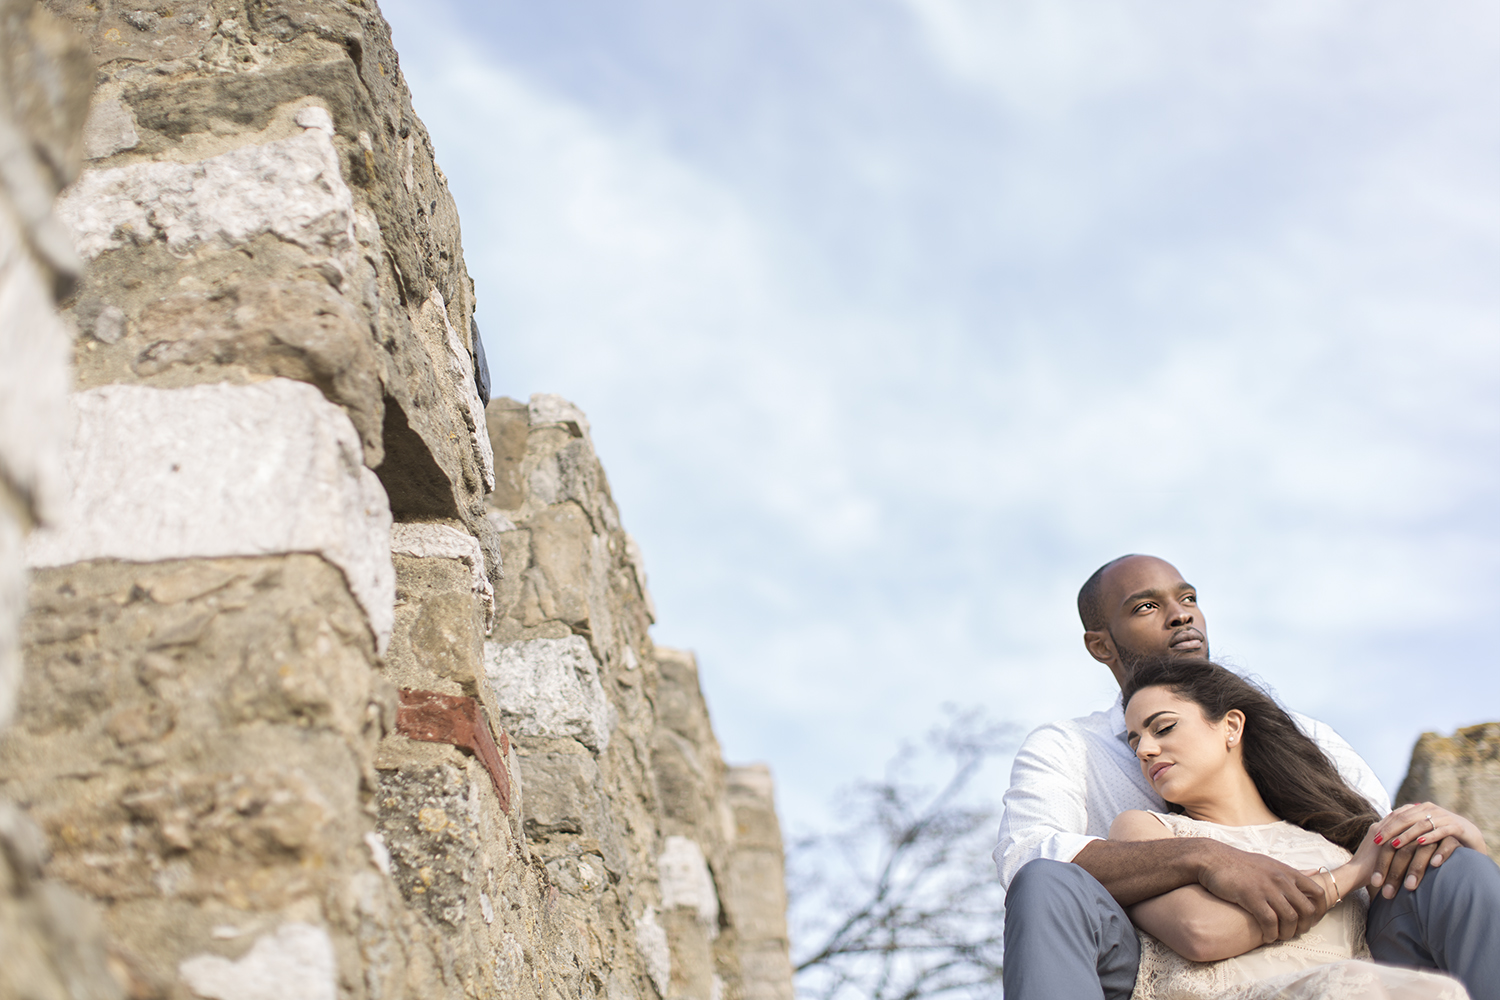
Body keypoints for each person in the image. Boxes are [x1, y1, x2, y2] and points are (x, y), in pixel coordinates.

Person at [995, 554, 1498, 1000]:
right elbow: (1030, 854)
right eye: (1146, 606)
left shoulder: (1311, 739)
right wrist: (1202, 857)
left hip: (1346, 942)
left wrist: (1458, 846)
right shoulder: (1072, 748)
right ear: (1101, 646)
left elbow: (1382, 851)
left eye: (1188, 597)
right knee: (1046, 881)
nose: (1181, 613)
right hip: (1159, 962)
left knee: (1451, 870)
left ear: (1231, 727)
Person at [1115, 656, 1484, 998]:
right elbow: (1199, 932)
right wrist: (1349, 875)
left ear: (1230, 726)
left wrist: (1469, 851)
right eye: (1135, 743)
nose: (1145, 750)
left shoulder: (1332, 843)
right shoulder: (1145, 830)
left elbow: (1421, 930)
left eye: (1163, 728)